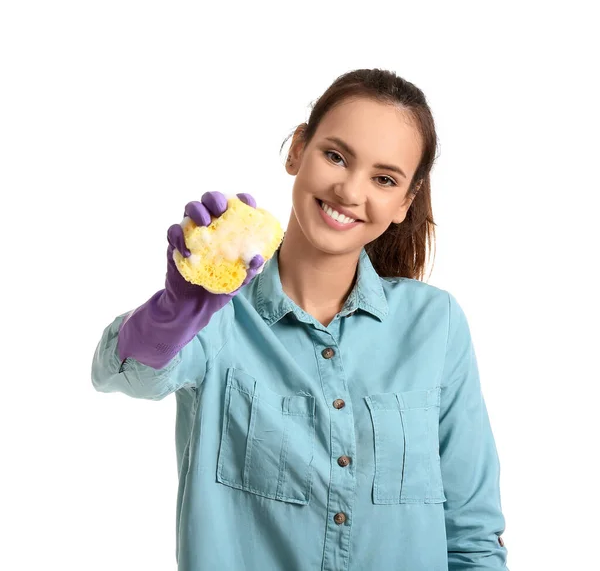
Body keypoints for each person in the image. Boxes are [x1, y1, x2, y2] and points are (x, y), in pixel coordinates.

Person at [91, 68, 509, 571]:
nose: (350, 191)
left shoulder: (435, 324)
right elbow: (121, 372)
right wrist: (176, 311)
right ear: (297, 150)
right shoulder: (220, 314)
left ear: (405, 202)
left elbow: (471, 537)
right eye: (335, 156)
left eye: (384, 179)